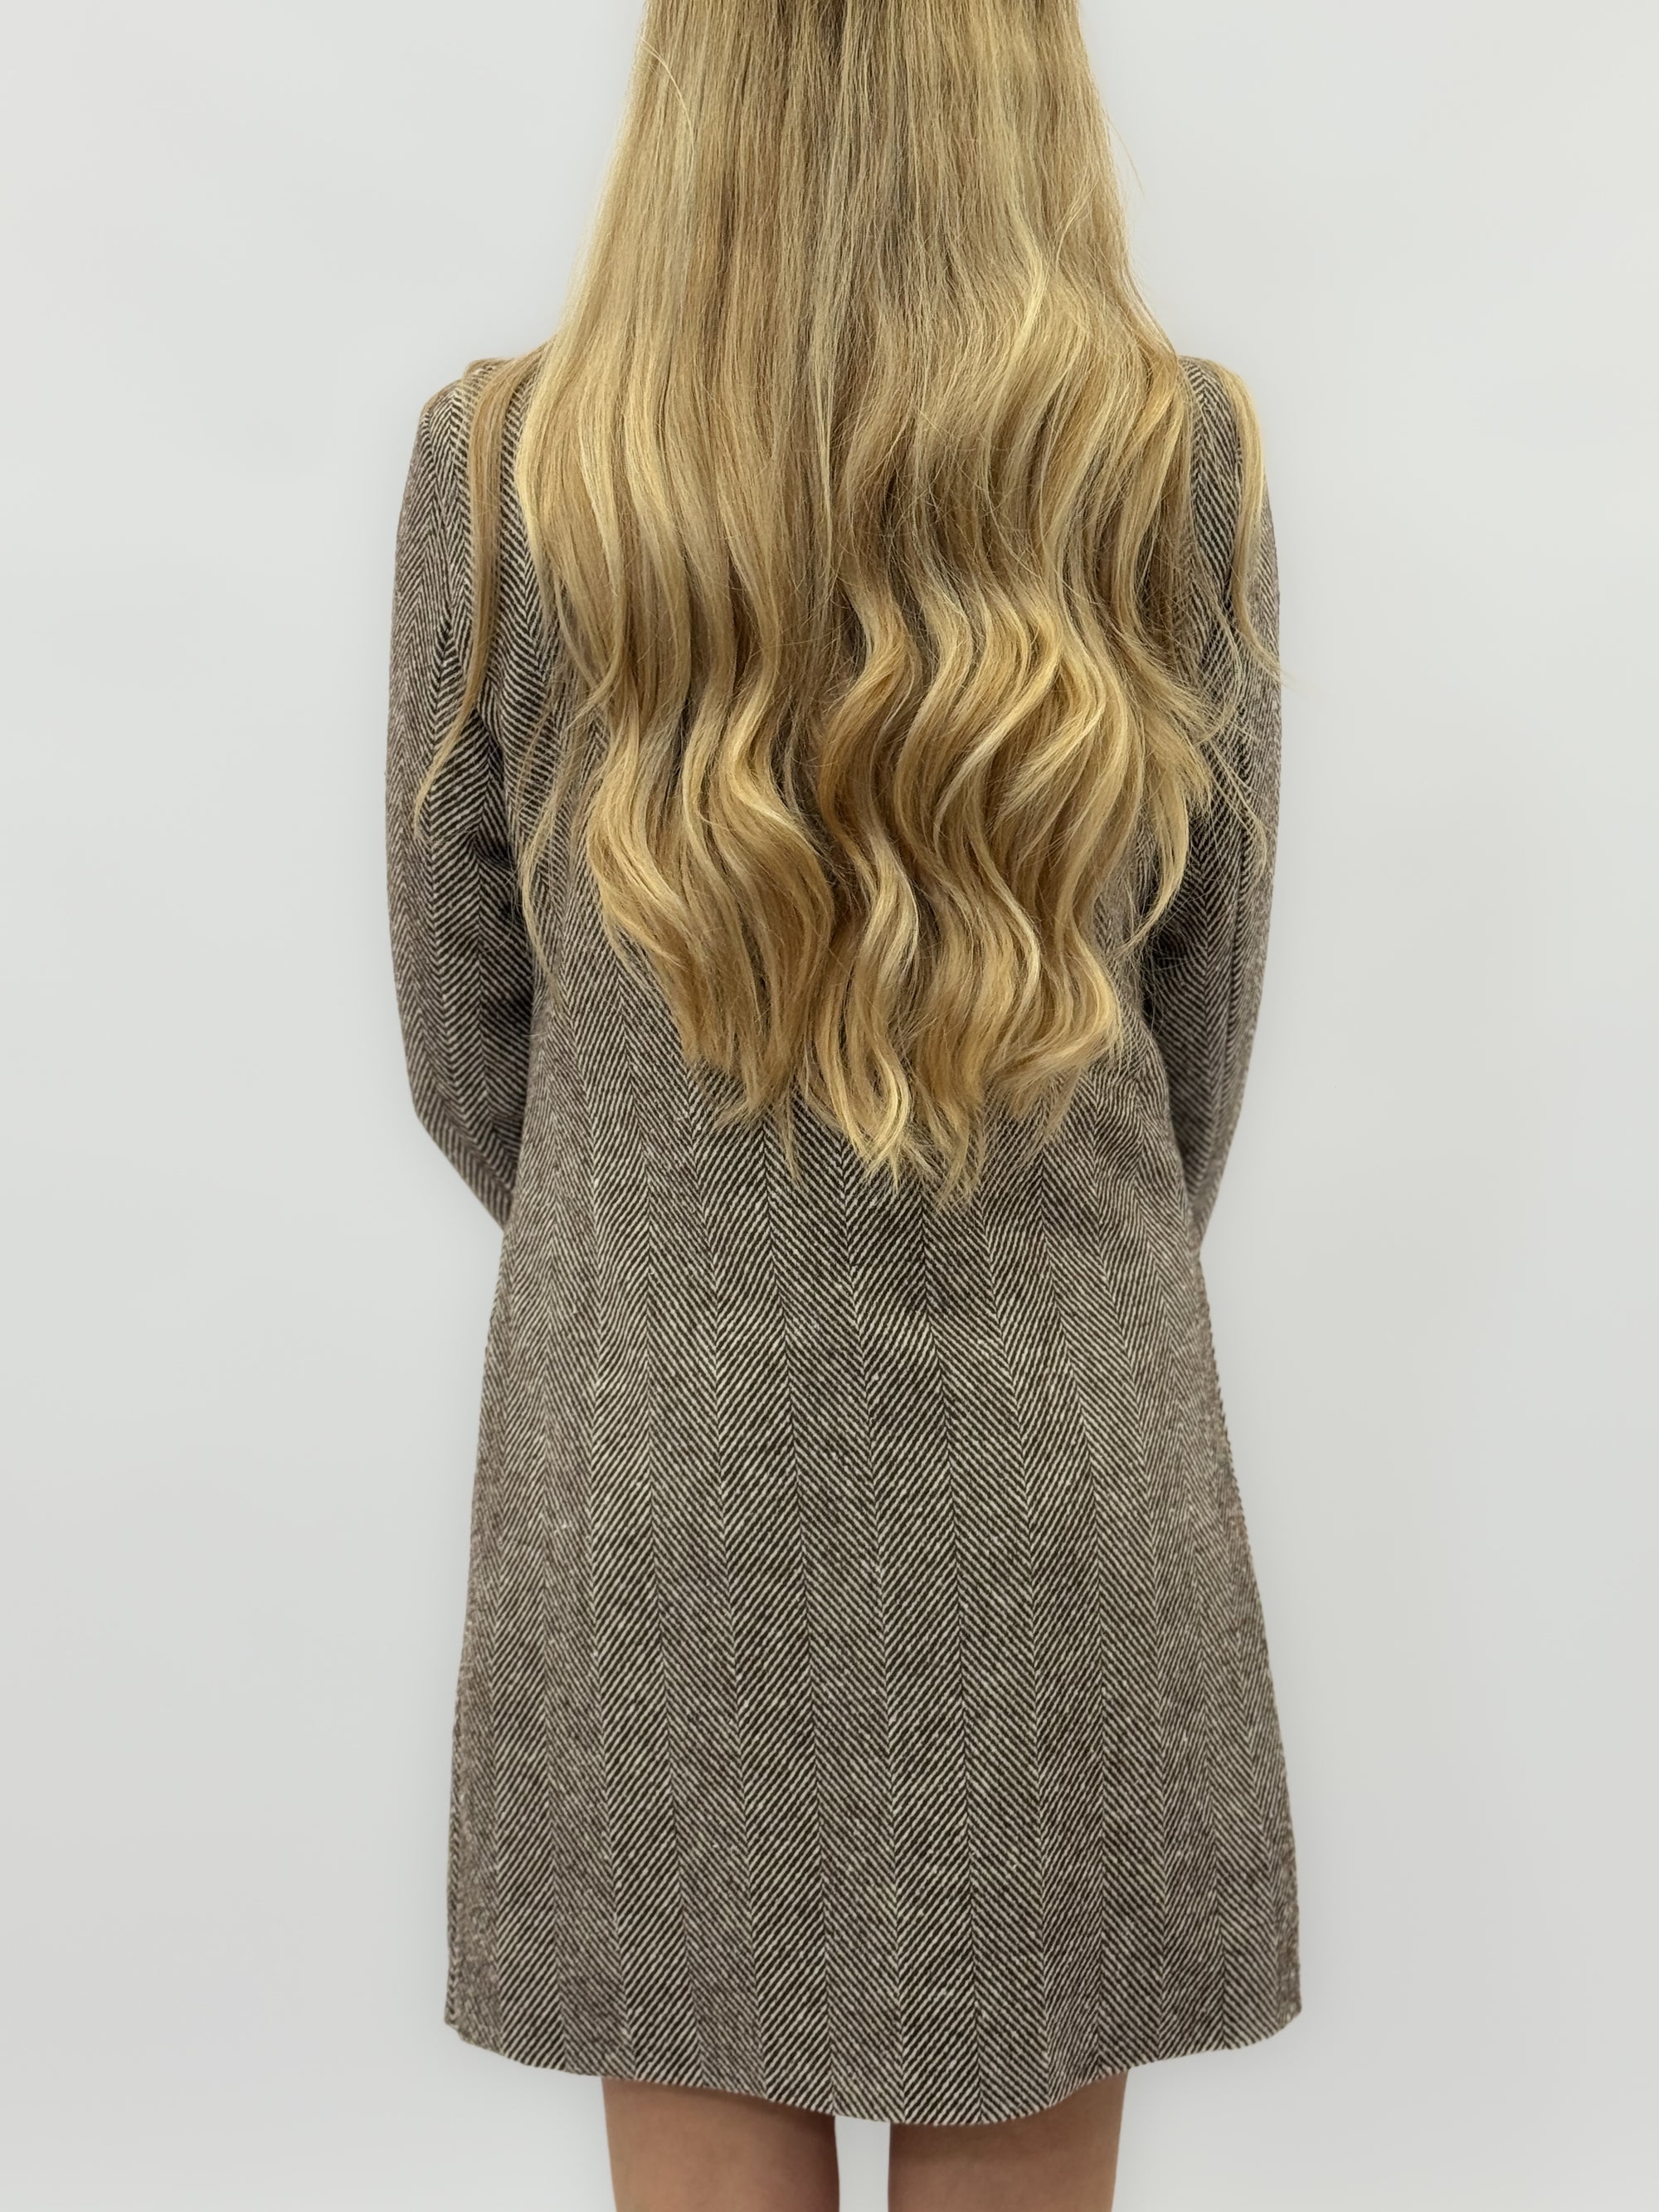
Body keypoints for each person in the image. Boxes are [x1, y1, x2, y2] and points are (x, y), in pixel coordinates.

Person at [383, 2, 1298, 2205]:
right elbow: (1197, 1035)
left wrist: (673, 1236)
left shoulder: (510, 468)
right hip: (1052, 1462)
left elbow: (468, 1038)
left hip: (663, 1465)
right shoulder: (1162, 459)